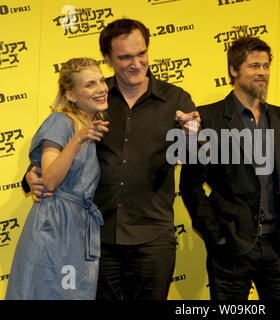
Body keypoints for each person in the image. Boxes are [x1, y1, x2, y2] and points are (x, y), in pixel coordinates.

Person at [22, 18, 200, 300]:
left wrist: (193, 136)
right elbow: (60, 145)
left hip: (152, 237)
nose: (136, 63)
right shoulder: (94, 98)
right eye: (125, 57)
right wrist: (32, 175)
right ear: (108, 59)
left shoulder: (175, 99)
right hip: (96, 238)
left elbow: (199, 158)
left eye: (141, 54)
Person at [180, 36, 280, 300]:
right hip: (231, 249)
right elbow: (191, 185)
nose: (262, 72)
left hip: (279, 246)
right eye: (254, 66)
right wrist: (217, 236)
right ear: (233, 70)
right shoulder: (209, 118)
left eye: (266, 66)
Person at [6, 57, 109, 299]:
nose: (101, 88)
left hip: (77, 228)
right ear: (71, 95)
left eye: (102, 81)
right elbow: (50, 181)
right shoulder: (60, 122)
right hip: (54, 226)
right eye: (90, 84)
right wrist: (77, 139)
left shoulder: (92, 124)